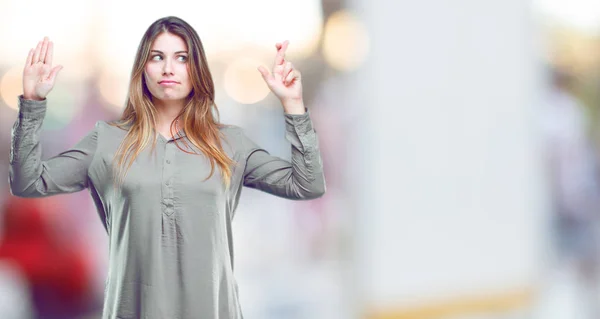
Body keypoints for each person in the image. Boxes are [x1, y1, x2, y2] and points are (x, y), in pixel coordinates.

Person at [9, 15, 326, 319]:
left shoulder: (230, 144)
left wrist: (293, 106)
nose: (169, 68)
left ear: (197, 69)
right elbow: (29, 182)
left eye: (182, 58)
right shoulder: (106, 141)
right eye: (157, 57)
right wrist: (33, 103)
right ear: (142, 68)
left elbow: (306, 184)